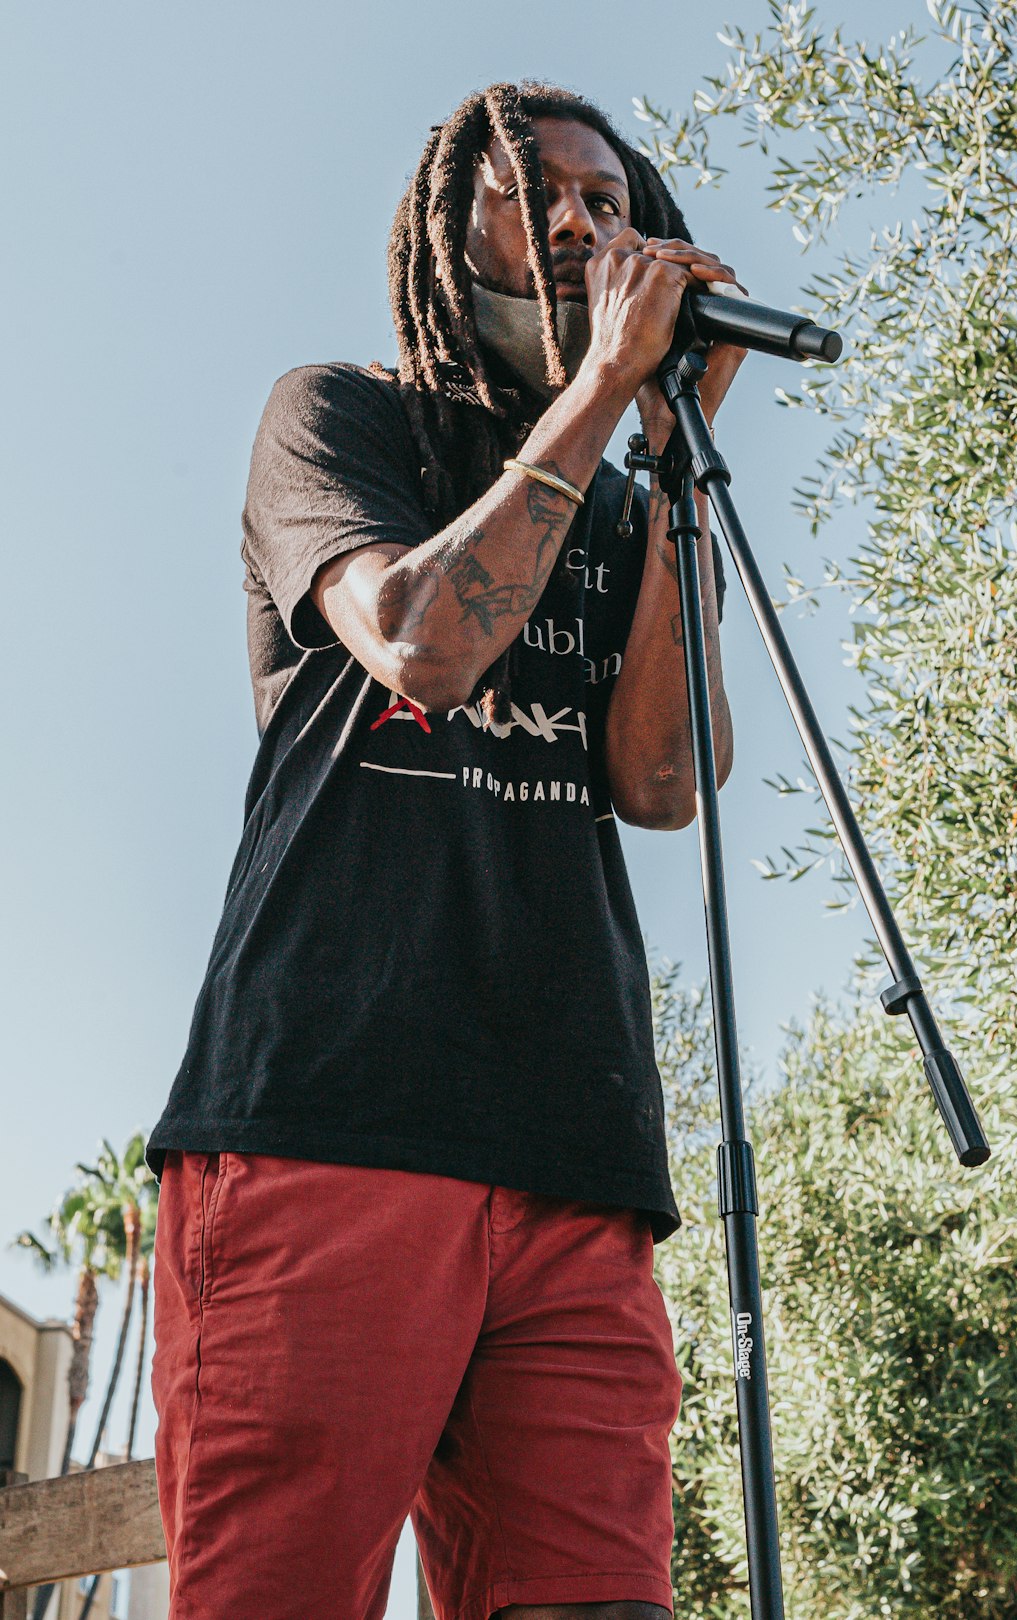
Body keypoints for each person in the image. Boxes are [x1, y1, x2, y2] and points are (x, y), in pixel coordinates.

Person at [145, 80, 743, 1620]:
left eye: (611, 203)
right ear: (437, 231)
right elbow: (418, 644)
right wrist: (600, 392)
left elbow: (666, 780)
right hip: (334, 1115)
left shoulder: (623, 500)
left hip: (569, 1142)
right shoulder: (336, 418)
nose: (579, 222)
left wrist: (673, 467)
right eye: (530, 191)